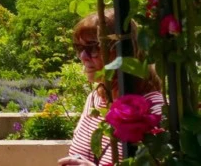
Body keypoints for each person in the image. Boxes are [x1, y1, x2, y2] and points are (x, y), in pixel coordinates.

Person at [58, 10, 164, 166]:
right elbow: (79, 155)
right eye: (79, 48)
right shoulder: (96, 98)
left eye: (93, 47)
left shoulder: (153, 107)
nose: (83, 57)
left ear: (124, 50)